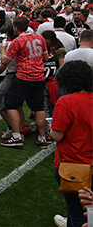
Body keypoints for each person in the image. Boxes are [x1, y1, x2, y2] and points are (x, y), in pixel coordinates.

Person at [0, 16, 51, 147]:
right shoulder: (40, 37)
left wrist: (3, 51)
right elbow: (46, 58)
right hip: (39, 76)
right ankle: (43, 137)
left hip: (24, 76)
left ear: (16, 28)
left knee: (10, 104)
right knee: (39, 107)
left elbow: (5, 62)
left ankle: (16, 136)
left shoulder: (18, 41)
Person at [51, 61, 93, 227]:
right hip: (88, 162)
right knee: (85, 211)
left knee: (77, 214)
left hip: (71, 165)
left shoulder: (66, 102)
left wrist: (50, 129)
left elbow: (57, 135)